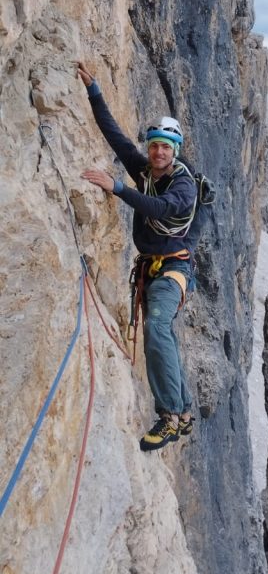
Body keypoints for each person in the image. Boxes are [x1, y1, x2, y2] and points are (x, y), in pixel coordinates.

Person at [78, 62, 197, 452]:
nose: (159, 151)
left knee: (158, 326)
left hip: (174, 268)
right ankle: (181, 413)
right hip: (152, 268)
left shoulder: (183, 185)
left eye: (166, 146)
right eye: (155, 145)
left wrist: (116, 188)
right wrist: (95, 91)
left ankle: (168, 417)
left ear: (175, 151)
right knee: (162, 333)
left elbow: (161, 210)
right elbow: (115, 136)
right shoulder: (145, 169)